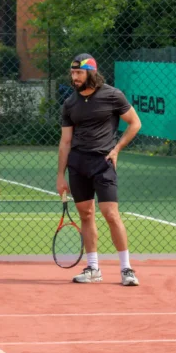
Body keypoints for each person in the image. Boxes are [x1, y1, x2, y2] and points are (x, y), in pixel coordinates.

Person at [57, 53, 142, 286]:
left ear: (90, 73)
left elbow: (135, 123)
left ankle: (126, 269)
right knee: (86, 214)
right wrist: (60, 176)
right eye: (72, 73)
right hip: (77, 165)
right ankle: (93, 268)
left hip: (103, 164)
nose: (74, 77)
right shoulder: (70, 103)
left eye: (78, 73)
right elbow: (65, 142)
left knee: (111, 214)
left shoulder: (113, 95)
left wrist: (117, 149)